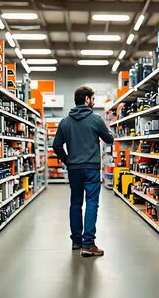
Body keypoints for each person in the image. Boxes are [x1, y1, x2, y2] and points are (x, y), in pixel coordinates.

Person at [53, 85, 114, 257]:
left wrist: (68, 160)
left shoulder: (65, 121)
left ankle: (76, 241)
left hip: (74, 169)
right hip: (92, 169)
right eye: (93, 99)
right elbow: (109, 139)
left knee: (75, 203)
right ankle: (88, 244)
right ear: (87, 99)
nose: (94, 102)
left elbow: (56, 145)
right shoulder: (96, 119)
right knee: (92, 203)